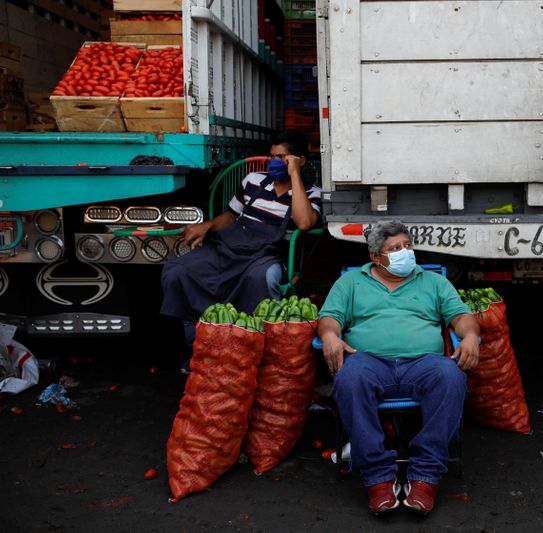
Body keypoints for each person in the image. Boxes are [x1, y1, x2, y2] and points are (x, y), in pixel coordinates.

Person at [317, 220, 480, 517]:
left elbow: (462, 317)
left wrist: (469, 335)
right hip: (368, 362)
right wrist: (329, 336)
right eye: (394, 249)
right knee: (349, 378)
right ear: (375, 257)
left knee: (451, 376)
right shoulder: (350, 283)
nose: (405, 252)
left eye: (407, 245)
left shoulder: (434, 282)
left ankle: (425, 477)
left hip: (423, 363)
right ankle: (378, 479)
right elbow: (330, 318)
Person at [160, 130, 322, 353]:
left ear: (300, 160)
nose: (274, 163)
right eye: (272, 157)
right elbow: (231, 216)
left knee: (261, 279)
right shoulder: (252, 181)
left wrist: (294, 176)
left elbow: (304, 223)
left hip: (268, 256)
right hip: (229, 247)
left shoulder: (311, 194)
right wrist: (208, 225)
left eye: (282, 158)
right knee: (178, 272)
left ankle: (252, 349)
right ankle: (198, 348)